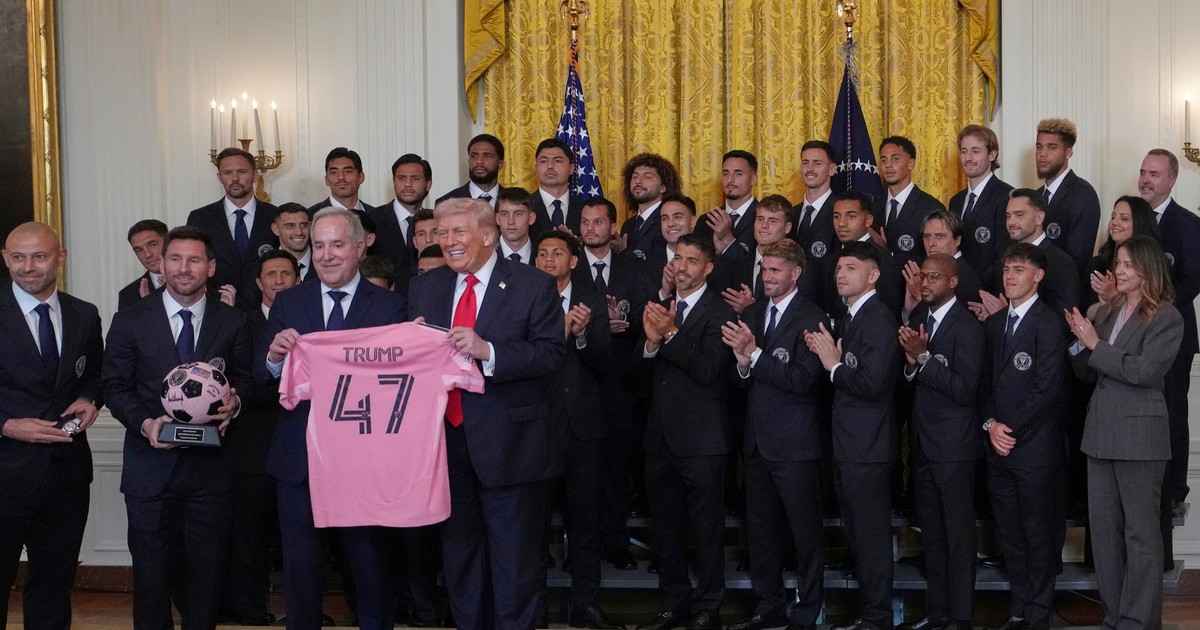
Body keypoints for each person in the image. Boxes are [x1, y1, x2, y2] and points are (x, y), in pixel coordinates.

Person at [406, 198, 564, 630]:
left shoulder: (533, 285)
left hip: (511, 448)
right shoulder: (425, 287)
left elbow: (551, 354)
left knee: (515, 562)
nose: (449, 241)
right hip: (445, 447)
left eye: (459, 232)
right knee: (460, 560)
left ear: (490, 236)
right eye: (443, 232)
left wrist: (488, 351)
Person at [260, 208, 407, 630]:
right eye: (319, 245)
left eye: (337, 244)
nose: (326, 255)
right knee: (301, 567)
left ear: (360, 248)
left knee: (370, 564)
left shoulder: (391, 307)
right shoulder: (289, 302)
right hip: (299, 459)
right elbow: (260, 375)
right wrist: (274, 357)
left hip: (366, 462)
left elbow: (401, 384)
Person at [103, 226, 252, 630]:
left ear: (211, 267)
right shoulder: (129, 320)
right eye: (175, 259)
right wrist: (145, 423)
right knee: (151, 579)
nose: (184, 268)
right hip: (150, 472)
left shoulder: (234, 321)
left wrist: (235, 403)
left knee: (206, 580)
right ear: (163, 264)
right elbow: (114, 386)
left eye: (194, 260)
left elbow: (245, 379)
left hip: (211, 475)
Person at [1065, 235, 1182, 630]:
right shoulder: (1111, 309)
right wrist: (1079, 343)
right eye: (1119, 263)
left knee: (1141, 538)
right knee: (1105, 537)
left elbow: (1144, 372)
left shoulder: (1166, 317)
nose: (1120, 270)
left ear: (1149, 269)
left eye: (1129, 264)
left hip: (1140, 441)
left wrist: (1095, 344)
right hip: (1100, 436)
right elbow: (1087, 372)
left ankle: (1138, 621)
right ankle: (1114, 618)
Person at [0, 222, 103, 630]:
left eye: (39, 256)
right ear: (5, 258)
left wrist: (91, 399)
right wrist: (6, 425)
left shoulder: (84, 314)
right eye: (18, 257)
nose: (28, 266)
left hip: (66, 475)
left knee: (53, 586)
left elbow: (96, 375)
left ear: (60, 257)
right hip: (5, 472)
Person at [631, 232, 735, 630]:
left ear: (707, 268)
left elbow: (708, 370)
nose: (682, 267)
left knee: (706, 530)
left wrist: (671, 335)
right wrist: (650, 344)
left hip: (703, 441)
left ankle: (708, 608)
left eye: (691, 260)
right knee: (666, 530)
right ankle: (674, 604)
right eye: (678, 258)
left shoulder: (720, 312)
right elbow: (634, 377)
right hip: (660, 440)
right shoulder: (660, 308)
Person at [721, 239, 826, 630]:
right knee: (761, 532)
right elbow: (739, 379)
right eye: (764, 269)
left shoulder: (812, 316)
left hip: (795, 444)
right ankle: (769, 607)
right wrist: (742, 365)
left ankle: (808, 608)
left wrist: (755, 356)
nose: (766, 277)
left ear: (795, 273)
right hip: (756, 442)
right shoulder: (752, 312)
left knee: (805, 534)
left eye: (775, 270)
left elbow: (802, 381)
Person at [805, 241, 902, 630]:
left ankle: (877, 618)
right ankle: (870, 615)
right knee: (859, 537)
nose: (840, 274)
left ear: (873, 275)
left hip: (868, 448)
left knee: (871, 539)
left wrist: (833, 365)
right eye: (838, 268)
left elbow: (873, 385)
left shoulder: (877, 318)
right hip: (850, 446)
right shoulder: (852, 316)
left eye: (850, 268)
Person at [532, 230, 620, 629]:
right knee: (533, 528)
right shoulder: (522, 298)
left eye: (557, 253)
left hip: (583, 430)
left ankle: (585, 606)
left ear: (573, 261)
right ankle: (533, 610)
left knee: (585, 525)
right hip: (537, 428)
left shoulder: (592, 300)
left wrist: (583, 336)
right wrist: (562, 332)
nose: (548, 259)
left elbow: (605, 363)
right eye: (542, 253)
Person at [979, 243, 1067, 630]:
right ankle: (1018, 609)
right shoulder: (995, 324)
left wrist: (1009, 430)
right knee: (1010, 535)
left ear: (1038, 276)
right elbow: (982, 383)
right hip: (998, 447)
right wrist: (991, 425)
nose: (1010, 276)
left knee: (1037, 534)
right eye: (1006, 269)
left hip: (1033, 449)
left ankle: (1038, 614)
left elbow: (1046, 390)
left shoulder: (1048, 323)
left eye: (1018, 269)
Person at [897, 254, 984, 630]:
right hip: (923, 443)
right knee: (931, 534)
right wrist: (911, 364)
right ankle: (938, 612)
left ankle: (961, 617)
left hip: (955, 447)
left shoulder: (967, 327)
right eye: (922, 276)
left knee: (958, 535)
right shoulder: (919, 319)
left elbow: (965, 389)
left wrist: (924, 358)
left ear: (953, 282)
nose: (925, 282)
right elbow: (908, 382)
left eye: (934, 276)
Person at [221, 249, 300, 626]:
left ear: (298, 280)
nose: (279, 281)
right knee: (249, 538)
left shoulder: (310, 321)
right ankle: (250, 611)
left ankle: (303, 610)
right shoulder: (241, 323)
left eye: (286, 274)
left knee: (299, 539)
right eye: (271, 274)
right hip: (251, 449)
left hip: (301, 447)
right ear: (258, 282)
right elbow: (244, 382)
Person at [572, 196, 650, 571]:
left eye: (598, 222)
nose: (591, 228)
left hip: (621, 383)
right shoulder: (570, 266)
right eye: (585, 222)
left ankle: (616, 545)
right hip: (579, 383)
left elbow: (647, 314)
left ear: (612, 227)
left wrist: (627, 324)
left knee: (617, 470)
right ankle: (580, 551)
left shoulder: (632, 266)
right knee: (580, 476)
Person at [1137, 148, 1200, 526]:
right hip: (1133, 338)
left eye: (1154, 174)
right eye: (1143, 172)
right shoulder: (1133, 220)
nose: (1145, 180)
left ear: (1172, 180)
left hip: (1173, 336)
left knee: (1172, 413)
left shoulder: (1188, 224)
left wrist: (1152, 311)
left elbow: (1192, 281)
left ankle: (1174, 490)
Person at [186, 147, 280, 311]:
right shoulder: (200, 218)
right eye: (228, 173)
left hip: (268, 310)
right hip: (217, 310)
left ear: (255, 175)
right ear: (219, 177)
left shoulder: (275, 216)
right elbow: (192, 263)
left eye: (242, 172)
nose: (235, 179)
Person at [970, 189, 1081, 321]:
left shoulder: (1061, 263)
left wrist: (1007, 314)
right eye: (1008, 216)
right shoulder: (1005, 259)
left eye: (1019, 215)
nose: (1011, 222)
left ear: (1039, 218)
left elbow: (1063, 319)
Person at [947, 125, 1013, 281]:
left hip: (989, 289)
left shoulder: (1007, 197)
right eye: (964, 151)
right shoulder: (956, 201)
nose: (968, 158)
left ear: (992, 155)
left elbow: (1006, 254)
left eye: (975, 151)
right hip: (956, 286)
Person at [824, 191, 905, 319]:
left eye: (851, 216)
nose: (841, 223)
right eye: (836, 216)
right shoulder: (831, 260)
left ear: (868, 220)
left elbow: (888, 313)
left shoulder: (883, 260)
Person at [1034, 118, 1101, 270]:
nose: (1042, 154)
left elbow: (1078, 259)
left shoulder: (1083, 194)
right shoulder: (1036, 196)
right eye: (1039, 147)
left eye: (1051, 147)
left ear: (1068, 152)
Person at [900, 210, 983, 322]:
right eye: (927, 237)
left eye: (940, 236)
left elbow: (955, 323)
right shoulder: (920, 270)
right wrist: (909, 310)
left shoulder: (967, 277)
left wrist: (920, 297)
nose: (931, 243)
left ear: (957, 240)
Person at [1081, 196, 1160, 311]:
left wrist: (1114, 297)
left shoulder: (1154, 264)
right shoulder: (1097, 264)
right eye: (1113, 217)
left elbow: (1153, 311)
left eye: (1124, 218)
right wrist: (1105, 302)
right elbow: (1083, 311)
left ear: (1140, 223)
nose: (1114, 222)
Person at [877, 136, 946, 266]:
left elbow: (937, 259)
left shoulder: (931, 207)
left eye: (895, 158)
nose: (888, 165)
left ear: (911, 163)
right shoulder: (874, 206)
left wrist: (888, 254)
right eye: (883, 160)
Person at [720, 194, 794, 316]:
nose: (764, 226)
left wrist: (750, 309)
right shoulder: (735, 264)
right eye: (760, 219)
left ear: (787, 227)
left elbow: (796, 316)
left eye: (773, 221)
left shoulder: (798, 270)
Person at [792, 141, 840, 307]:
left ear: (832, 169)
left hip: (825, 305)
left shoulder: (840, 213)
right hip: (791, 306)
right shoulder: (791, 213)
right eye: (805, 163)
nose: (810, 169)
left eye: (817, 163)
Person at [370, 153, 432, 273]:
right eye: (401, 178)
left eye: (415, 178)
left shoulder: (437, 222)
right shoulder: (373, 219)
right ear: (394, 182)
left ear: (428, 184)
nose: (408, 184)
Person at [695, 150, 759, 259]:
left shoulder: (764, 219)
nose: (730, 180)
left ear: (753, 179)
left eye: (738, 174)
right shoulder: (707, 221)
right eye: (725, 173)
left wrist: (727, 239)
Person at [435, 134, 525, 208]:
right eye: (474, 156)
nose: (479, 161)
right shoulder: (446, 203)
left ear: (500, 164)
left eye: (487, 156)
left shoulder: (517, 203)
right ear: (469, 160)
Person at [619, 153, 682, 258]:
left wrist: (624, 252)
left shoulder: (668, 221)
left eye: (647, 177)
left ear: (663, 187)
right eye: (635, 176)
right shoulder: (628, 225)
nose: (638, 181)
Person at [529, 138, 584, 236]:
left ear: (571, 169)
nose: (550, 166)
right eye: (544, 161)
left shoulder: (584, 208)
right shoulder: (524, 207)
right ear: (536, 168)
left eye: (558, 161)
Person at [118, 219, 168, 311]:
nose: (148, 254)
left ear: (169, 242)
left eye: (153, 245)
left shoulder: (193, 281)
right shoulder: (128, 295)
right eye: (139, 250)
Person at [308, 146, 374, 214]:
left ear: (361, 177)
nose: (341, 177)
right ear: (326, 180)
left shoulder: (377, 216)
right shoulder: (310, 216)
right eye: (334, 172)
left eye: (348, 171)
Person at [271, 202, 314, 281]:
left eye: (304, 225)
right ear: (276, 229)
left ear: (311, 226)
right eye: (290, 226)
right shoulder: (260, 268)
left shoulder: (328, 263)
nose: (299, 232)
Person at [496, 188, 538, 264]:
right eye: (504, 214)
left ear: (531, 218)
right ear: (497, 219)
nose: (511, 221)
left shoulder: (542, 256)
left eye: (518, 214)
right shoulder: (484, 256)